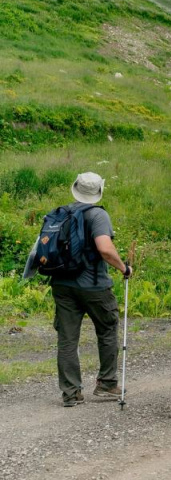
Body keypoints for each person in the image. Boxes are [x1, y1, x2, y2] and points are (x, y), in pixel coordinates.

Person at [23, 172, 132, 407]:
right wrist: (124, 268)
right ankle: (106, 384)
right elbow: (105, 248)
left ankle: (71, 393)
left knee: (67, 339)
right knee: (107, 328)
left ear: (76, 188)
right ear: (98, 192)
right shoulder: (97, 214)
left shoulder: (60, 213)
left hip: (62, 284)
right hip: (94, 286)